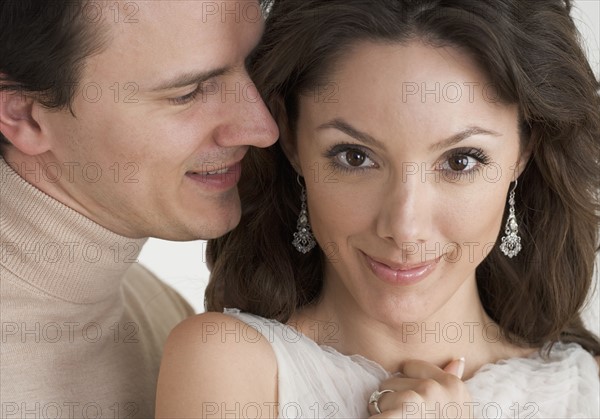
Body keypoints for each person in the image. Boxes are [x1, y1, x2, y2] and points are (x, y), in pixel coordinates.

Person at [156, 0, 600, 417]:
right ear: (291, 139)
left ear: (524, 151)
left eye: (460, 161)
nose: (404, 227)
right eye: (354, 157)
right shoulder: (229, 366)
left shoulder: (586, 387)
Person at [0, 0, 278, 417]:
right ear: (25, 117)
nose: (262, 128)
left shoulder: (158, 309)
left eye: (251, 63)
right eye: (188, 92)